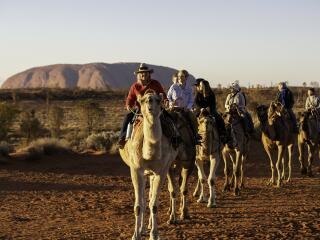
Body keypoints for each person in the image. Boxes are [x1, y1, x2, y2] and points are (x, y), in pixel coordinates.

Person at [117, 63, 167, 148]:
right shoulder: (135, 86)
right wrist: (128, 105)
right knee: (128, 118)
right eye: (141, 73)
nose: (143, 74)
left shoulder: (155, 83)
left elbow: (162, 94)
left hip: (155, 110)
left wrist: (166, 100)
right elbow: (130, 98)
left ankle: (175, 138)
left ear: (149, 74)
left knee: (168, 118)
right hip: (140, 111)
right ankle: (122, 139)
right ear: (139, 75)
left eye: (146, 73)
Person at [167, 70, 201, 144]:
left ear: (186, 77)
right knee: (166, 119)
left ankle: (195, 136)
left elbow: (191, 100)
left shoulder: (189, 88)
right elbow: (168, 96)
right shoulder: (174, 86)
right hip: (174, 108)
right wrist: (171, 103)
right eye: (179, 76)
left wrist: (187, 108)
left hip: (184, 109)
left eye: (182, 76)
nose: (180, 78)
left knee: (193, 118)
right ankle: (166, 138)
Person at [194, 78, 228, 143]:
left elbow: (213, 103)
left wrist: (208, 108)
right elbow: (196, 103)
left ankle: (222, 134)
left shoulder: (211, 93)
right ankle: (195, 135)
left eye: (201, 85)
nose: (199, 87)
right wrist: (201, 108)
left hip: (210, 109)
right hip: (201, 110)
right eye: (199, 85)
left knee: (219, 118)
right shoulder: (198, 94)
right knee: (194, 118)